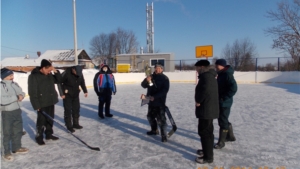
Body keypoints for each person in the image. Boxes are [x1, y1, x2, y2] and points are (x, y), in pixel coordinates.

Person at [28, 59, 62, 145]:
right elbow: (32, 92)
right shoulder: (34, 76)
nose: (49, 72)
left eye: (50, 70)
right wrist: (36, 105)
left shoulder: (49, 75)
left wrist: (55, 71)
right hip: (42, 102)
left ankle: (49, 134)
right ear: (43, 68)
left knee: (50, 119)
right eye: (48, 70)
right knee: (41, 121)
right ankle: (39, 137)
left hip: (51, 100)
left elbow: (59, 80)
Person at [194, 60, 219, 164]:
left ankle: (208, 157)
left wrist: (199, 100)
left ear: (202, 67)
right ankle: (207, 151)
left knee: (205, 132)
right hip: (209, 108)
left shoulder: (206, 77)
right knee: (207, 131)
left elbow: (205, 90)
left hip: (206, 109)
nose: (196, 70)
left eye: (197, 68)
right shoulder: (209, 76)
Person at [1, 68, 29, 162]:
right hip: (6, 112)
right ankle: (6, 152)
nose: (12, 77)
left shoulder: (14, 84)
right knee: (6, 133)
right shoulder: (1, 86)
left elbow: (22, 92)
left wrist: (21, 96)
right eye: (10, 75)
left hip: (17, 110)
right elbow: (2, 100)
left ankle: (16, 148)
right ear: (4, 77)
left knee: (17, 131)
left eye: (12, 75)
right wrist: (16, 97)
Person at [141, 64, 170, 142]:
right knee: (150, 116)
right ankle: (154, 130)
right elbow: (143, 85)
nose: (157, 69)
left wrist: (155, 97)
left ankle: (164, 136)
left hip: (159, 102)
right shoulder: (151, 76)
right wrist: (146, 80)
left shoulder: (165, 78)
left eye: (158, 68)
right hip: (150, 101)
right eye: (156, 68)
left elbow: (164, 91)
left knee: (161, 120)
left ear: (162, 69)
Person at [214, 59, 238, 149]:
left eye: (217, 65)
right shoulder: (221, 74)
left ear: (222, 66)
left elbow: (234, 88)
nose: (216, 67)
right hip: (221, 101)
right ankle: (230, 137)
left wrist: (224, 97)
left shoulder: (227, 75)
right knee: (223, 119)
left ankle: (221, 142)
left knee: (222, 121)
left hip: (225, 102)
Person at [58, 66, 88, 133]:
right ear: (73, 69)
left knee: (76, 109)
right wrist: (61, 93)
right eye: (76, 73)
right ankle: (69, 125)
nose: (77, 75)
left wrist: (85, 91)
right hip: (67, 94)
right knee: (68, 110)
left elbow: (82, 82)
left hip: (76, 94)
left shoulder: (79, 73)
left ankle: (75, 124)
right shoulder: (66, 73)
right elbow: (59, 82)